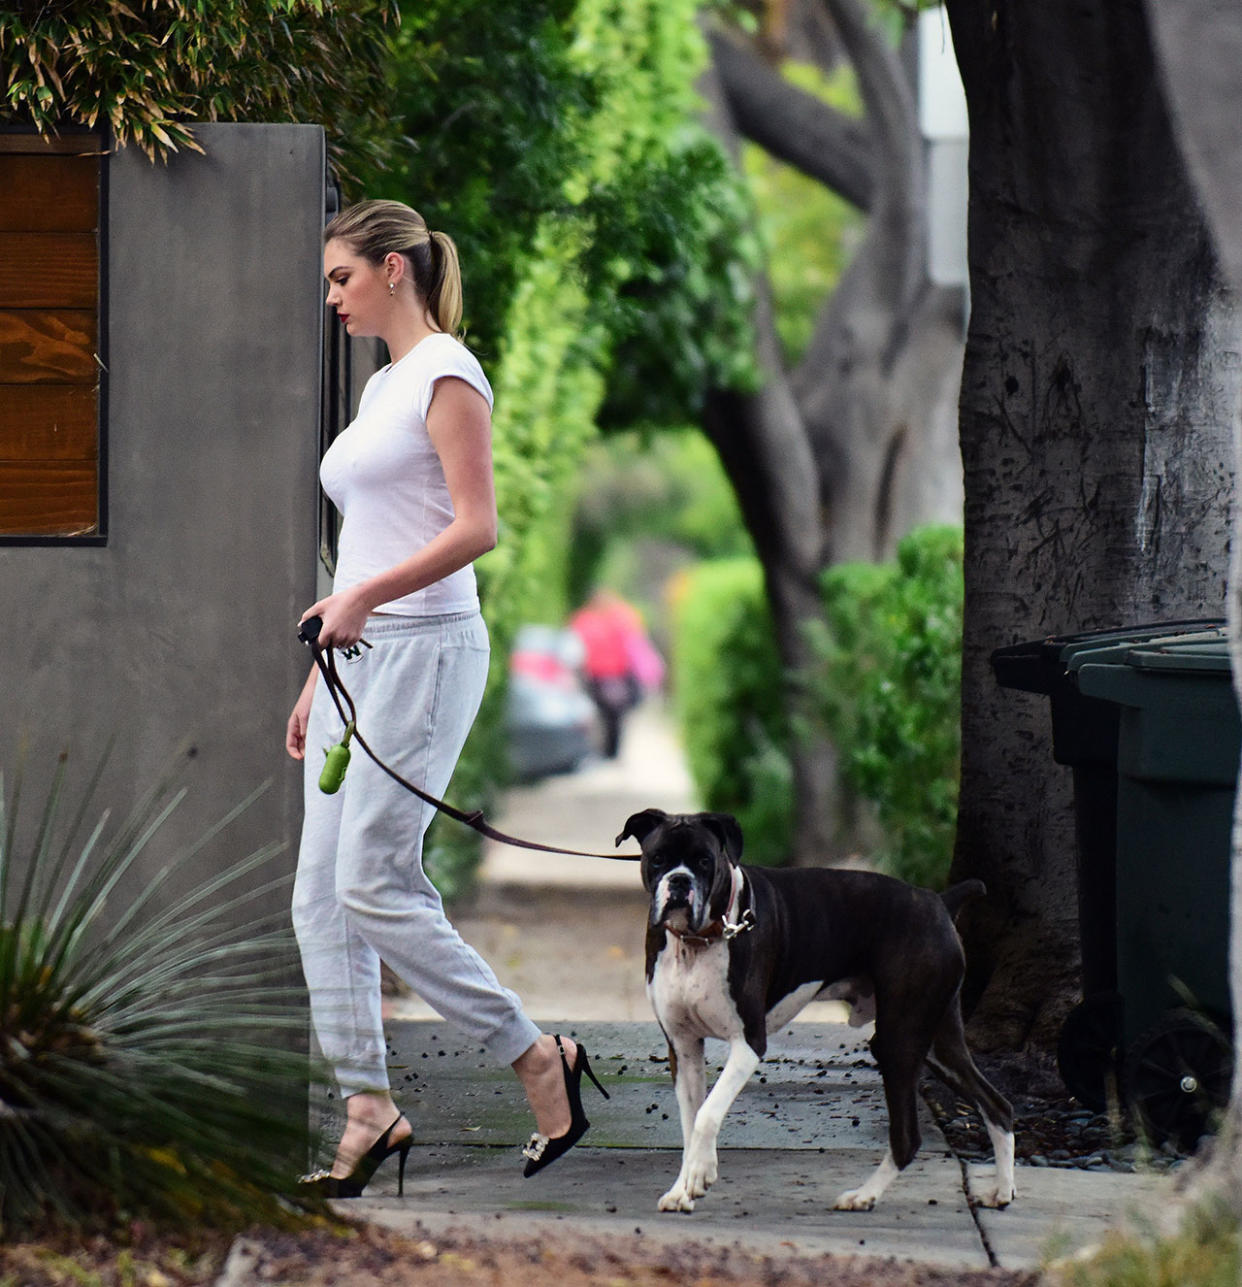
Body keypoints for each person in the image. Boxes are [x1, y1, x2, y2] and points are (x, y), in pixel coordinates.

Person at [286, 199, 604, 1197]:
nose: (331, 295)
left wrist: (364, 600)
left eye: (342, 277)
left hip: (425, 654)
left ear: (392, 268)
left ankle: (535, 1057)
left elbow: (478, 527)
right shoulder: (384, 387)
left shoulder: (446, 372)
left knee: (374, 880)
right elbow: (374, 536)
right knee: (317, 899)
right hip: (359, 660)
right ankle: (369, 1108)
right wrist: (316, 673)